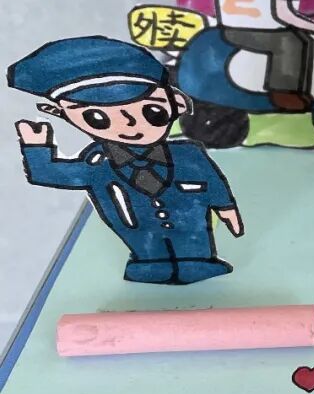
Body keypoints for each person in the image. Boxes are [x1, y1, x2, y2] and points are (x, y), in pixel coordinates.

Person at [9, 36, 242, 285]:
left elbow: (211, 180)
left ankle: (199, 263)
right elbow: (53, 174)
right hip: (143, 251)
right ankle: (152, 266)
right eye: (98, 118)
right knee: (150, 254)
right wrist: (37, 147)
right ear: (61, 113)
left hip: (199, 248)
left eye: (153, 112)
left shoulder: (189, 155)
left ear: (177, 103)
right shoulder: (96, 164)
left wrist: (226, 207)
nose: (131, 125)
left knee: (195, 252)